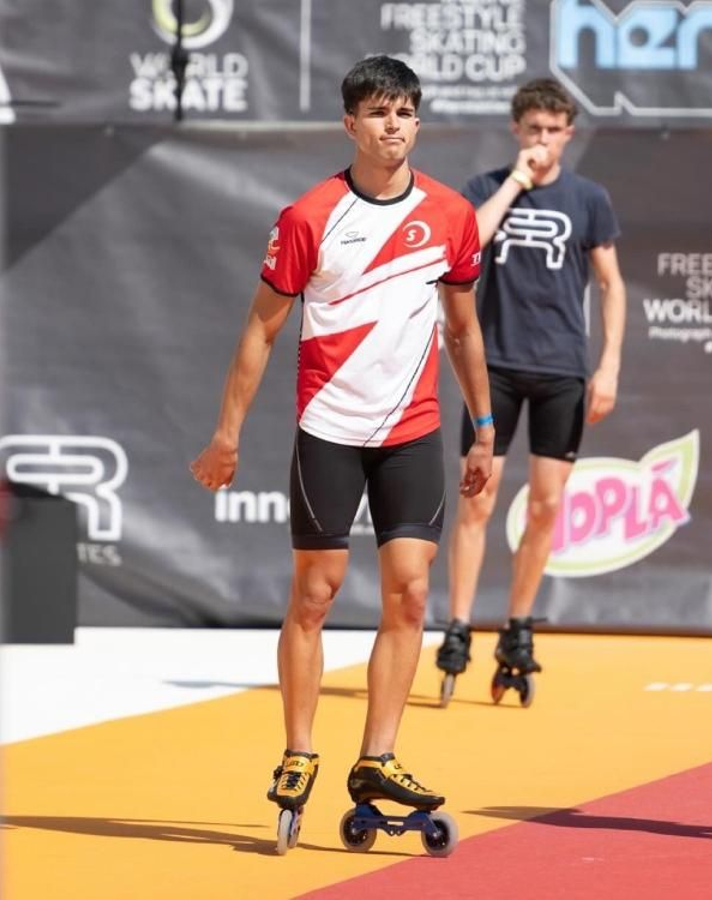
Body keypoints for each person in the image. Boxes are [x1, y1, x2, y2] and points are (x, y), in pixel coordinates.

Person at [188, 57, 494, 823]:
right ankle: (298, 753)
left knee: (412, 594)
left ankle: (378, 758)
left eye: (406, 113)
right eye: (379, 113)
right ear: (350, 123)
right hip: (329, 428)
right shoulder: (309, 216)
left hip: (413, 431)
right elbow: (261, 330)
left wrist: (484, 429)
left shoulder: (452, 216)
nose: (394, 126)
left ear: (419, 123)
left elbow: (461, 329)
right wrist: (227, 435)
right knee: (316, 597)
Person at [434, 78, 625, 696]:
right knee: (478, 500)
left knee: (545, 506)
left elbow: (611, 285)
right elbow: (466, 249)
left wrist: (610, 364)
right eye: (533, 129)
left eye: (553, 130)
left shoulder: (589, 198)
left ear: (569, 134)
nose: (543, 140)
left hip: (562, 370)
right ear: (517, 131)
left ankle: (518, 627)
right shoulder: (487, 188)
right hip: (494, 370)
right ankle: (459, 624)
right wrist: (517, 180)